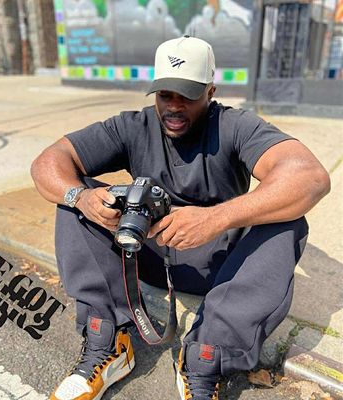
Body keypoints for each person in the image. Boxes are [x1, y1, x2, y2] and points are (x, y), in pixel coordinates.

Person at [30, 36, 330, 400]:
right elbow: (49, 161)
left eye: (187, 95)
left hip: (222, 267)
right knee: (74, 199)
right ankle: (109, 343)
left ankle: (203, 359)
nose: (174, 106)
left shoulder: (235, 126)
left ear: (210, 92)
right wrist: (81, 198)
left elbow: (310, 177)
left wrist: (214, 219)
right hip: (147, 256)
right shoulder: (132, 126)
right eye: (165, 94)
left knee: (287, 222)